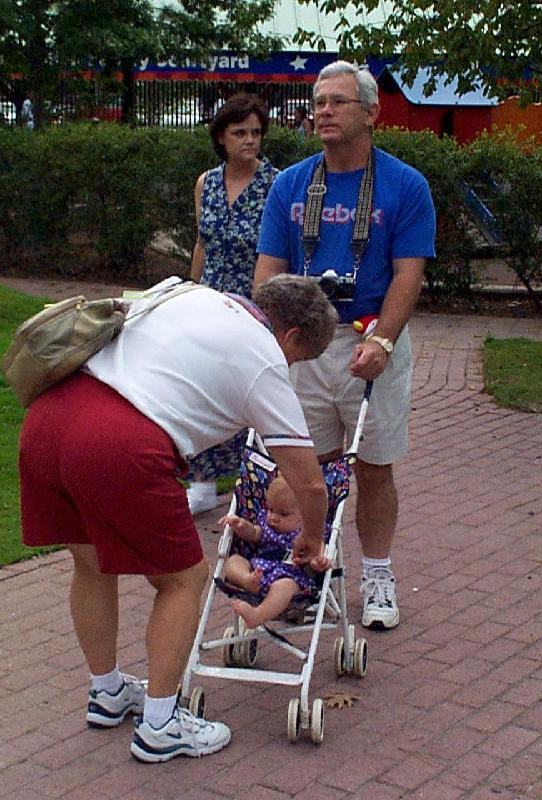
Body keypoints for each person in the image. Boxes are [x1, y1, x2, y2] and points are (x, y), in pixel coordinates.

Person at [18, 274, 338, 763]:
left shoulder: (190, 293)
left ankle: (106, 693)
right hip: (119, 441)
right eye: (298, 358)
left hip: (49, 417)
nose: (290, 367)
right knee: (183, 581)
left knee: (89, 565)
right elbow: (311, 483)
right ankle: (161, 725)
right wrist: (312, 538)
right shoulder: (265, 355)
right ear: (292, 336)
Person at [254, 61, 436, 632]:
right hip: (304, 347)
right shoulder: (290, 185)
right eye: (318, 102)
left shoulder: (405, 185)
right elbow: (268, 273)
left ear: (371, 113)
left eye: (337, 101)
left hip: (368, 341)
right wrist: (273, 338)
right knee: (313, 468)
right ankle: (315, 571)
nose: (323, 111)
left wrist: (383, 338)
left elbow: (409, 274)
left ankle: (378, 575)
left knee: (374, 469)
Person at [189, 93, 278, 514]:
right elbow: (202, 242)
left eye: (256, 132)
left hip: (253, 300)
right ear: (221, 137)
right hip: (209, 297)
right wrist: (189, 292)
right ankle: (202, 480)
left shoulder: (275, 184)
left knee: (248, 392)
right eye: (240, 132)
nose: (249, 141)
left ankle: (253, 482)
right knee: (204, 386)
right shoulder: (206, 183)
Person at [220, 476, 330, 628]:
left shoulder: (309, 534)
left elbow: (319, 552)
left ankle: (257, 615)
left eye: (283, 514)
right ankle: (247, 580)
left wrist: (318, 562)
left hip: (290, 574)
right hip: (258, 570)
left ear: (306, 516)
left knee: (284, 586)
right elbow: (254, 534)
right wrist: (241, 525)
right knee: (233, 561)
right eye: (270, 510)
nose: (273, 518)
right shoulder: (267, 526)